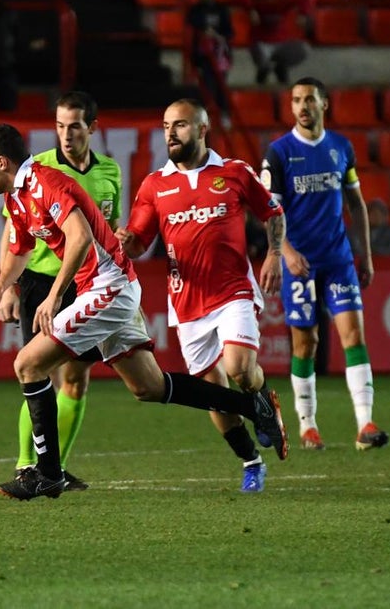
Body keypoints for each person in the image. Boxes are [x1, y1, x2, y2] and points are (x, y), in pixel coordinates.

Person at [0, 123, 288, 501]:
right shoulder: (17, 198)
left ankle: (48, 473)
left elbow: (80, 236)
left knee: (28, 364)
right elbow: (19, 251)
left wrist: (54, 296)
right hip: (104, 288)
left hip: (109, 286)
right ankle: (252, 404)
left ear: (1, 162)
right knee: (148, 387)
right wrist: (0, 287)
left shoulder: (45, 182)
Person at [118, 99, 286, 493]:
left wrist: (275, 253)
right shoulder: (155, 185)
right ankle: (251, 462)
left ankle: (263, 400)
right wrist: (127, 242)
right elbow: (140, 240)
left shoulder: (234, 172)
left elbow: (272, 213)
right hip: (187, 303)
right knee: (215, 395)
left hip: (233, 292)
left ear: (202, 129)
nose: (170, 133)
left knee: (241, 369)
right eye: (165, 126)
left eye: (179, 125)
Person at [0, 91, 121, 492]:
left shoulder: (110, 172)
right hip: (41, 282)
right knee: (38, 371)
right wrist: (9, 287)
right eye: (59, 126)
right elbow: (13, 234)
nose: (65, 135)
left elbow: (109, 227)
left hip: (85, 285)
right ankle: (24, 465)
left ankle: (58, 469)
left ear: (92, 128)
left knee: (77, 380)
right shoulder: (38, 171)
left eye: (74, 126)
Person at [261, 77, 390, 451]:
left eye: (310, 100)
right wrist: (284, 252)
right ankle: (307, 426)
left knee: (354, 336)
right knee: (307, 343)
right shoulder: (279, 153)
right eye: (297, 100)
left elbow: (356, 204)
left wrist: (364, 254)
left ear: (324, 104)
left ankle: (365, 424)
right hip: (300, 262)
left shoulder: (340, 148)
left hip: (338, 259)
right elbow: (269, 210)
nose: (303, 106)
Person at [242, 0, 312, 85]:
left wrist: (303, 13)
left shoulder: (283, 1)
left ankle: (280, 67)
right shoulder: (255, 0)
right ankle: (264, 71)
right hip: (262, 43)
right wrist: (250, 9)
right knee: (259, 51)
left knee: (304, 48)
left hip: (281, 43)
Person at [186, 0, 234, 117]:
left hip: (220, 54)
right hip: (203, 54)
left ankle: (224, 114)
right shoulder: (195, 10)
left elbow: (229, 32)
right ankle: (208, 115)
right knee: (208, 86)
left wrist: (216, 36)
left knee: (221, 85)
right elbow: (192, 26)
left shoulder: (222, 9)